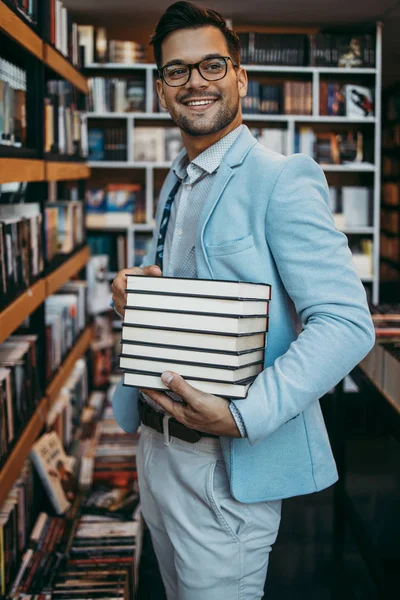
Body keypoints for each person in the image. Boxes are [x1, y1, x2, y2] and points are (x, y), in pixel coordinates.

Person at [111, 2, 375, 598]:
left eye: (212, 65)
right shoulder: (179, 177)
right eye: (177, 71)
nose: (195, 82)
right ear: (161, 89)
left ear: (240, 77)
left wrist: (242, 415)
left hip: (224, 463)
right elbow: (201, 302)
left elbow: (346, 323)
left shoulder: (281, 177)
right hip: (156, 450)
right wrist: (142, 295)